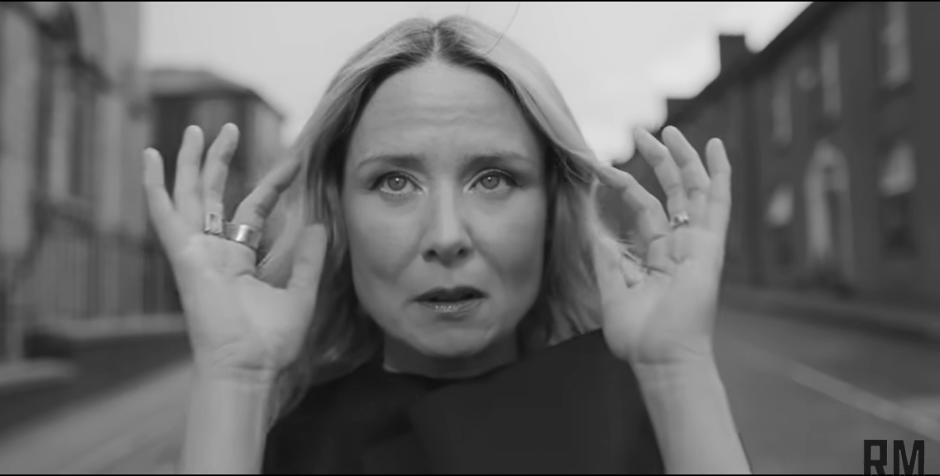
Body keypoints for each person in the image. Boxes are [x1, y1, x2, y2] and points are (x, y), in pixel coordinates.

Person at [142, 15, 751, 475]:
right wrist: (234, 375)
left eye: (494, 179)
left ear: (551, 209)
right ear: (339, 213)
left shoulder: (644, 407)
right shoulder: (286, 444)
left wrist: (678, 370)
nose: (446, 237)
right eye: (394, 182)